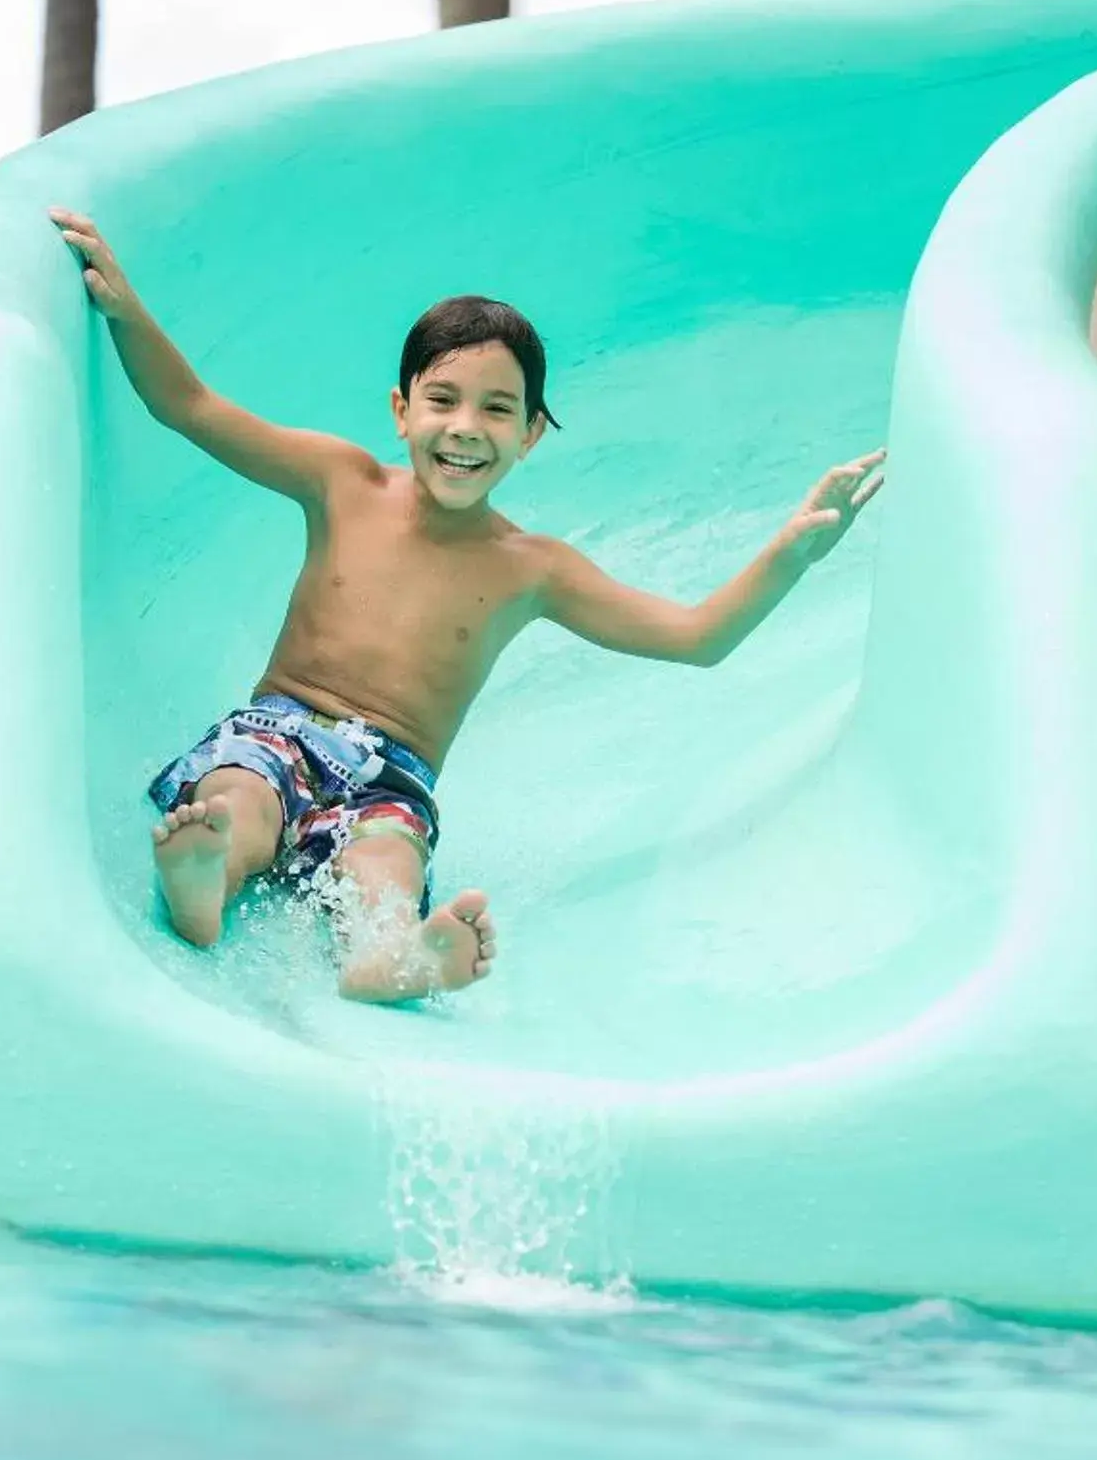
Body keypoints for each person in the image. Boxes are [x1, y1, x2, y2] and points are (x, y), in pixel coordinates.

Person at [54, 208, 885, 1006]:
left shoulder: (532, 569)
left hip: (392, 781)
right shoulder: (341, 483)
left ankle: (386, 953)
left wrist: (791, 555)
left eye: (498, 409)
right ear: (401, 410)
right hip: (279, 729)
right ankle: (208, 875)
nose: (466, 427)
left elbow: (697, 637)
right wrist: (127, 311)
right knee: (240, 798)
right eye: (444, 399)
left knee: (387, 861)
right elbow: (192, 406)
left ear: (529, 436)